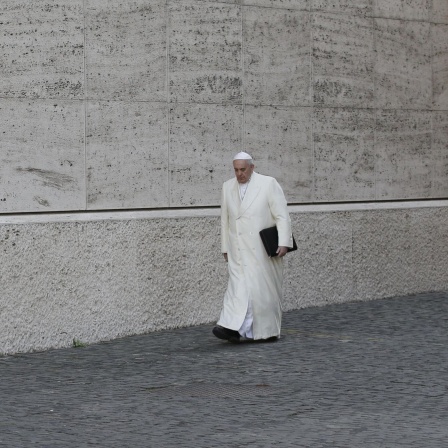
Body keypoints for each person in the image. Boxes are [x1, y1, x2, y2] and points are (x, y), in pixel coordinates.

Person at [213, 152, 294, 343]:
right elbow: (225, 219)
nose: (239, 174)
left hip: (261, 250)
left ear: (252, 167)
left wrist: (284, 242)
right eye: (236, 170)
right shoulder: (227, 187)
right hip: (238, 249)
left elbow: (282, 215)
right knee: (237, 288)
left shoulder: (268, 184)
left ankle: (264, 330)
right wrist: (225, 246)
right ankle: (230, 326)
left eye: (243, 169)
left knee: (260, 291)